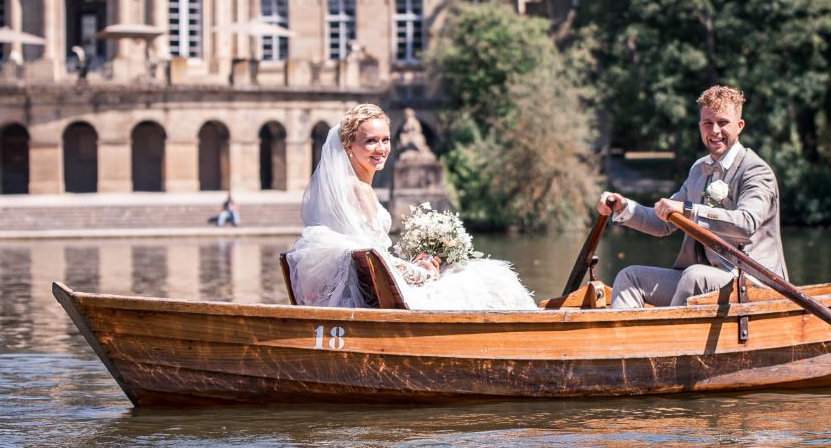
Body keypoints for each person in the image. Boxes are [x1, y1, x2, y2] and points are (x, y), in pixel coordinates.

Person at [285, 103, 537, 310]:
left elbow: (376, 258)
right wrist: (424, 272)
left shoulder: (344, 186)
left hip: (378, 289)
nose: (381, 148)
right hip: (388, 298)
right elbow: (377, 259)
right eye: (371, 141)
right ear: (348, 146)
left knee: (474, 274)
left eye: (385, 139)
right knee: (489, 277)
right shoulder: (360, 191)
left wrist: (414, 262)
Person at [598, 84, 788, 309]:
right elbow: (664, 223)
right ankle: (625, 333)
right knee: (630, 277)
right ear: (700, 126)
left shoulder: (756, 170)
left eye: (723, 123)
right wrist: (623, 207)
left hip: (754, 284)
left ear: (739, 126)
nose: (715, 131)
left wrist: (689, 210)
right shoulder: (699, 170)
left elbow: (746, 223)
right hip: (703, 279)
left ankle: (668, 331)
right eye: (708, 123)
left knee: (694, 276)